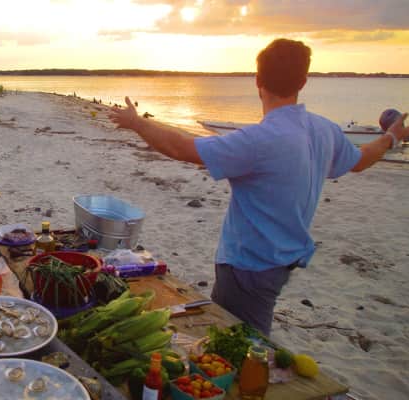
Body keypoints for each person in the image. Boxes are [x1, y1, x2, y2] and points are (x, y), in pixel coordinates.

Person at [110, 38, 408, 335]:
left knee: (241, 342)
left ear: (258, 81)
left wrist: (137, 123)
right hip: (282, 261)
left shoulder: (259, 140)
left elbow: (182, 148)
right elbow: (361, 160)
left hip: (248, 267)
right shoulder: (324, 130)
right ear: (303, 81)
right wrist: (391, 138)